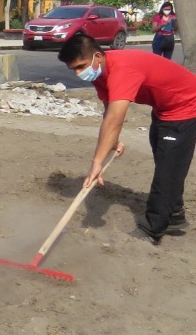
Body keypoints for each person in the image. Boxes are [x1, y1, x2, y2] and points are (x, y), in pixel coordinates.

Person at [59, 33, 196, 245]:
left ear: (98, 56)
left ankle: (151, 231)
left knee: (167, 172)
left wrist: (97, 162)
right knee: (166, 160)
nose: (78, 73)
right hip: (163, 108)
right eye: (73, 69)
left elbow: (116, 118)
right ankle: (175, 215)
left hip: (187, 106)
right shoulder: (99, 72)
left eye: (81, 66)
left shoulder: (122, 69)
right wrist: (112, 141)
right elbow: (109, 108)